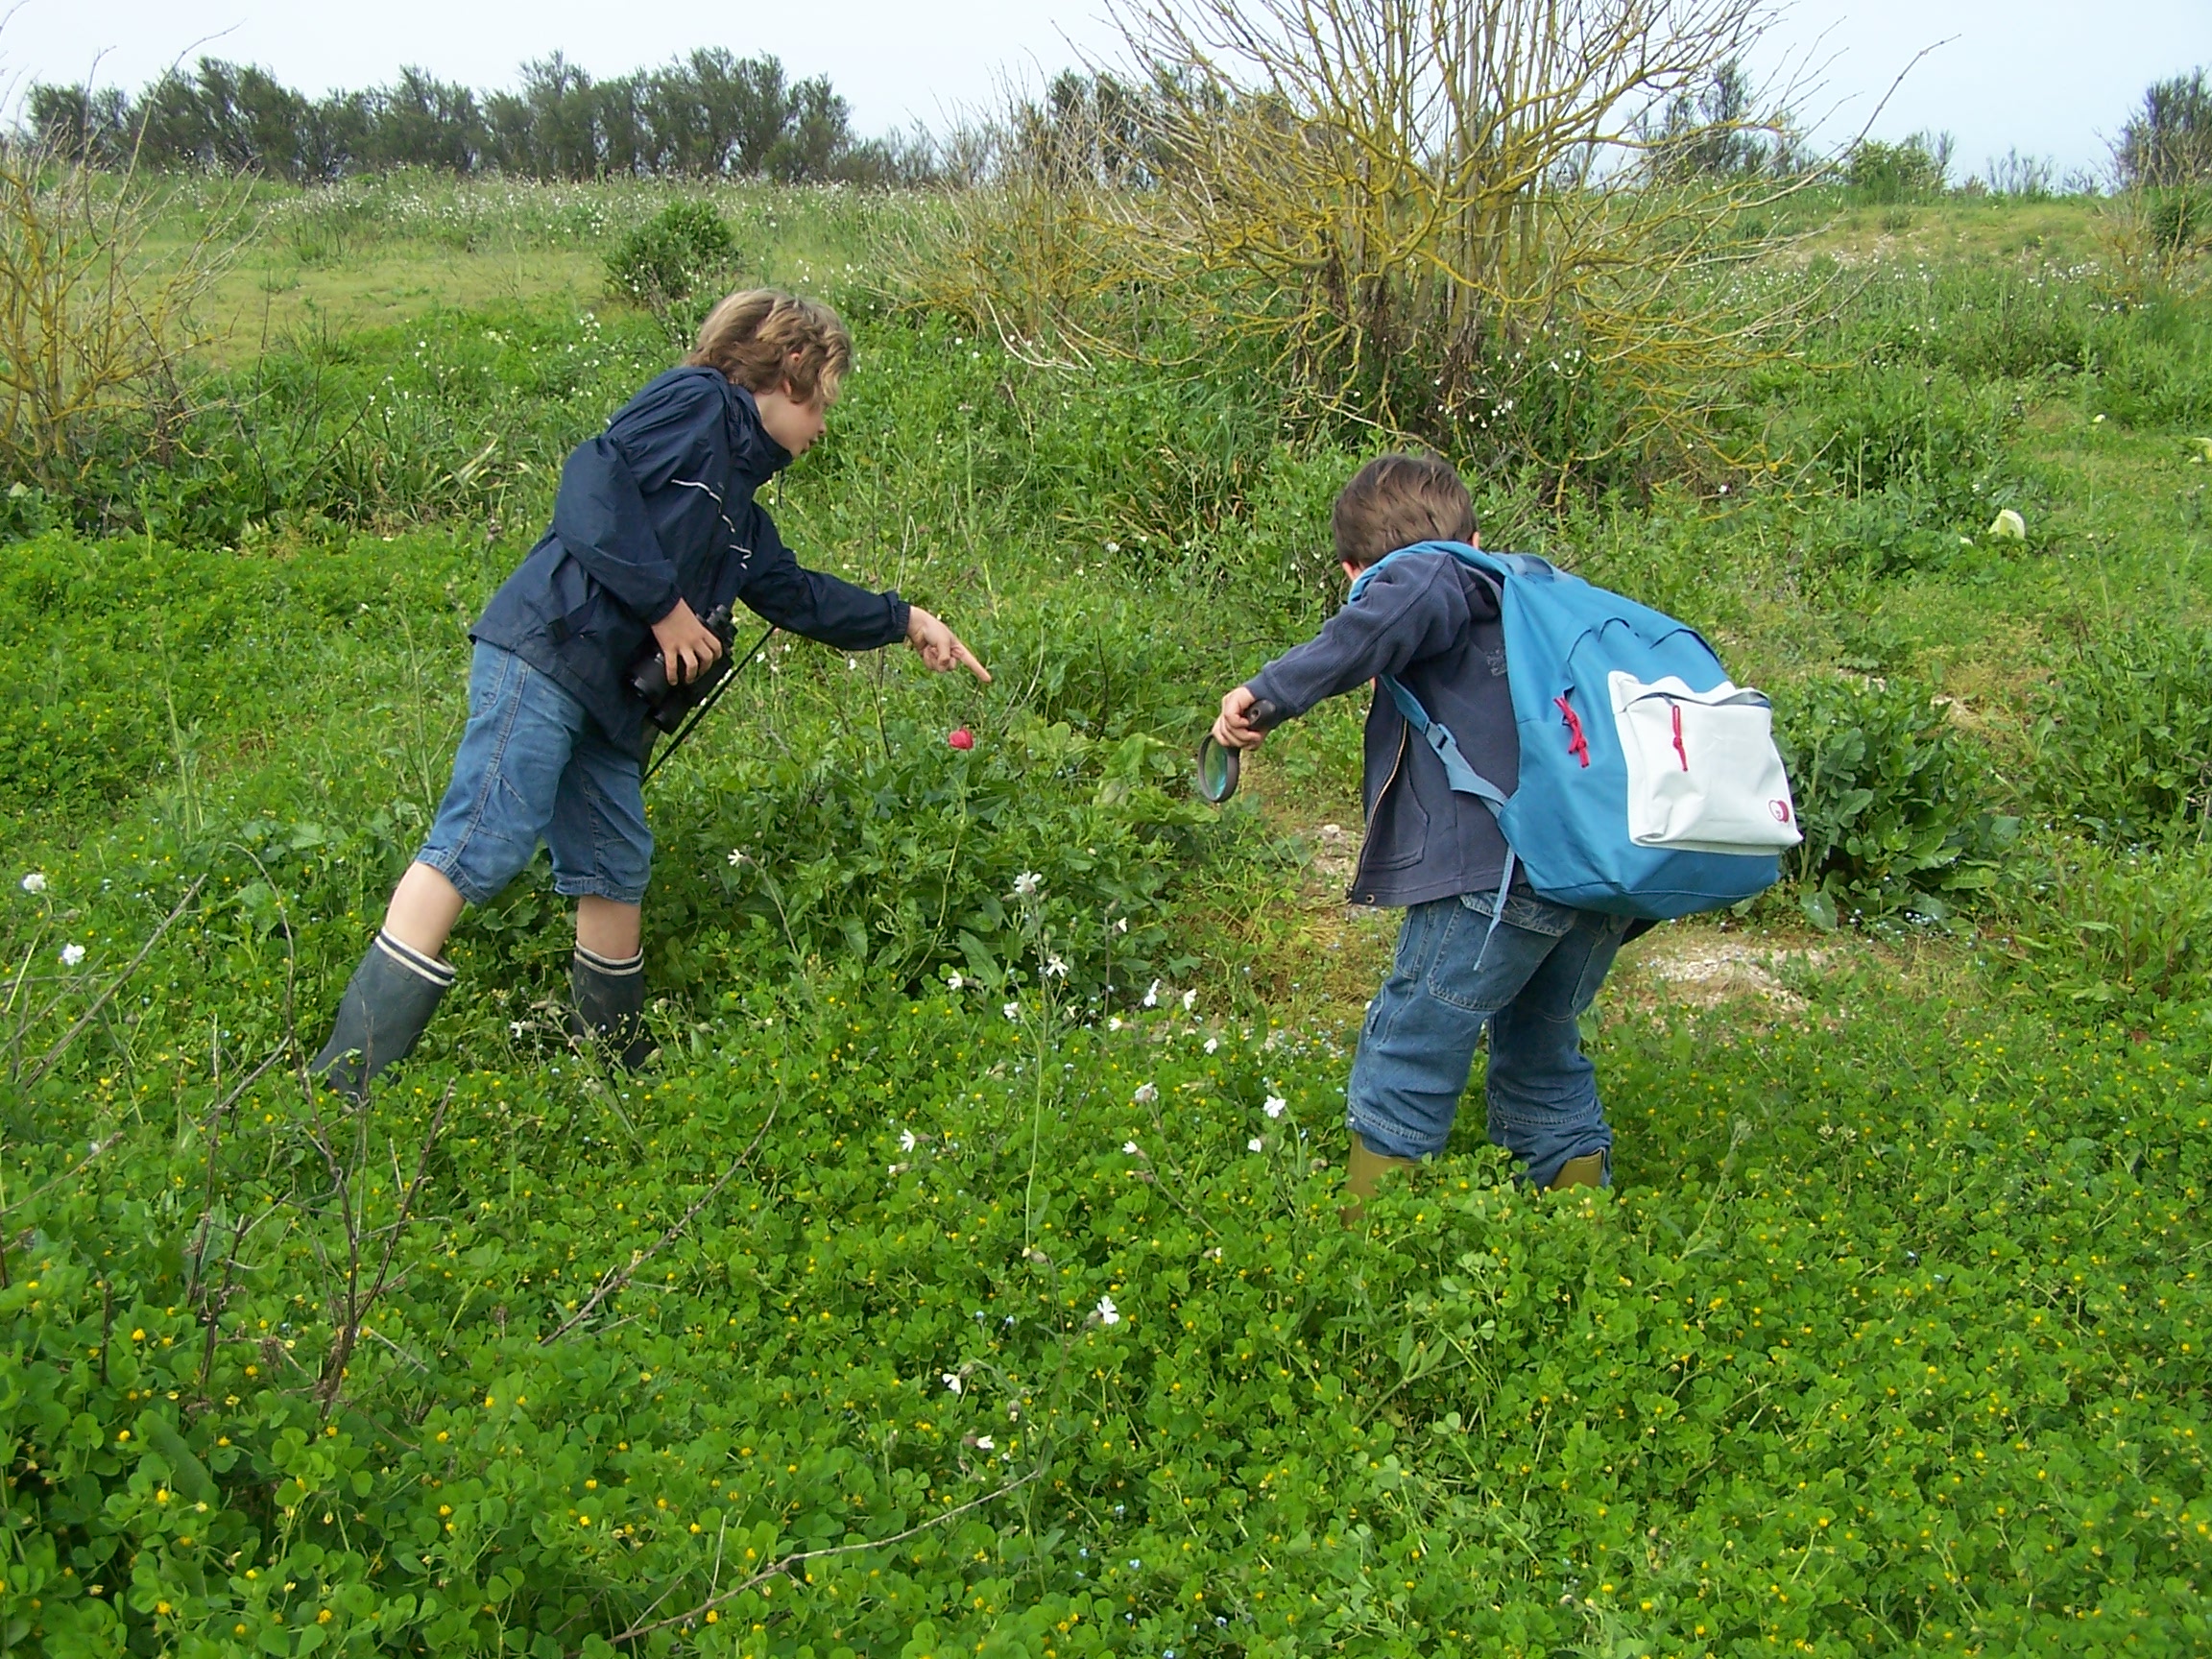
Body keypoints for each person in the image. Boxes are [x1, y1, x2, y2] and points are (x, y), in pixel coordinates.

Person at [312, 289, 989, 1096]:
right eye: (824, 404)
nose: (822, 428)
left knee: (615, 858)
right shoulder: (698, 401)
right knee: (484, 835)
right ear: (792, 365)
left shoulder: (739, 503)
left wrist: (906, 619)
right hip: (548, 651)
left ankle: (616, 1065)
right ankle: (342, 1082)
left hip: (606, 702)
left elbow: (795, 593)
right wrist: (668, 613)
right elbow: (589, 486)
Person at [1211, 453, 1629, 1204]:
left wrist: (1265, 694)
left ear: (1351, 572)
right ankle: (1576, 1239)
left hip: (1497, 877)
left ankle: (1377, 1246)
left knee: (1408, 1044)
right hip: (1596, 872)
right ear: (1478, 531)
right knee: (1541, 1046)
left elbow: (1392, 608)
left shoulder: (1432, 574)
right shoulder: (1533, 596)